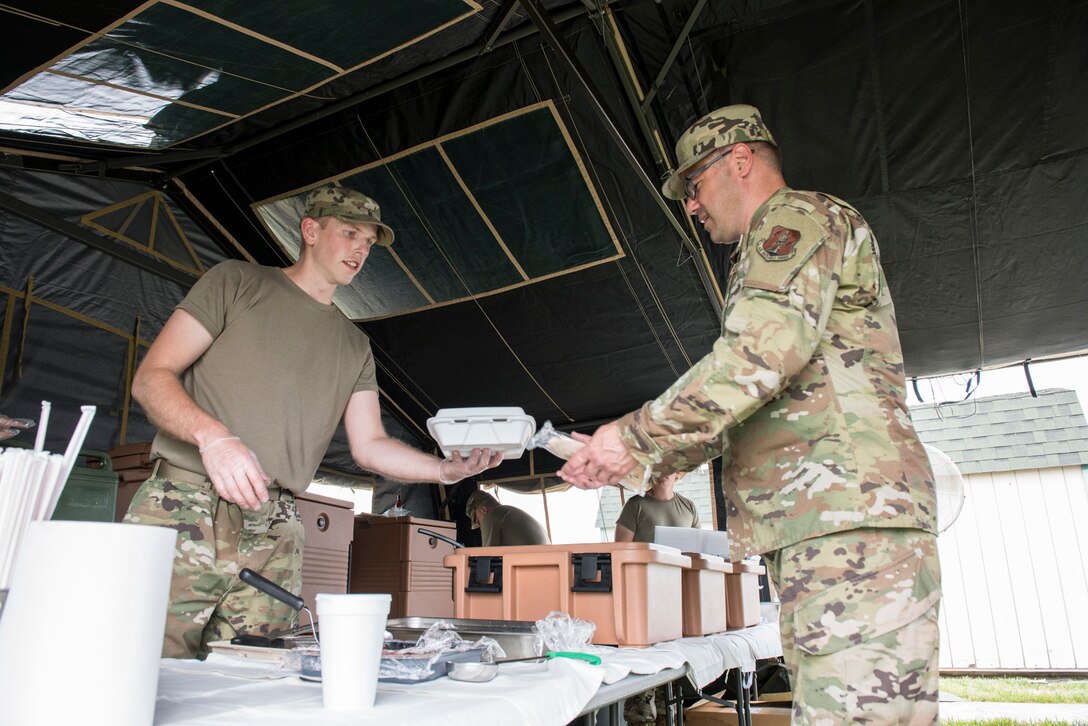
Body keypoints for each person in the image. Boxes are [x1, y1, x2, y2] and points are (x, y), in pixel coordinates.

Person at [558, 105, 940, 723]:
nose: (691, 206)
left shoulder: (794, 218)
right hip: (825, 522)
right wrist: (637, 454)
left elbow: (757, 356)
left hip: (846, 518)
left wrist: (632, 436)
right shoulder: (773, 246)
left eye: (694, 185)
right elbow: (751, 402)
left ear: (740, 160)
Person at [125, 185, 502, 659]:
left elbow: (369, 446)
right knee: (139, 665)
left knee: (255, 678)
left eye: (369, 243)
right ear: (310, 230)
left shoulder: (353, 345)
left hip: (277, 526)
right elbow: (152, 378)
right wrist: (215, 438)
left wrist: (444, 471)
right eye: (350, 234)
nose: (361, 250)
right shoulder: (236, 283)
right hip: (184, 504)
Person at [614, 470, 699, 543]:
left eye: (666, 466)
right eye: (657, 468)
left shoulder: (689, 506)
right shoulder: (634, 505)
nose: (661, 472)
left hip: (682, 563)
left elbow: (698, 550)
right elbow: (620, 552)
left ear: (678, 472)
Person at [465, 490, 550, 546]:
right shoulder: (509, 513)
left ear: (484, 510)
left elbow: (488, 557)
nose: (480, 526)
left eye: (478, 521)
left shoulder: (492, 515)